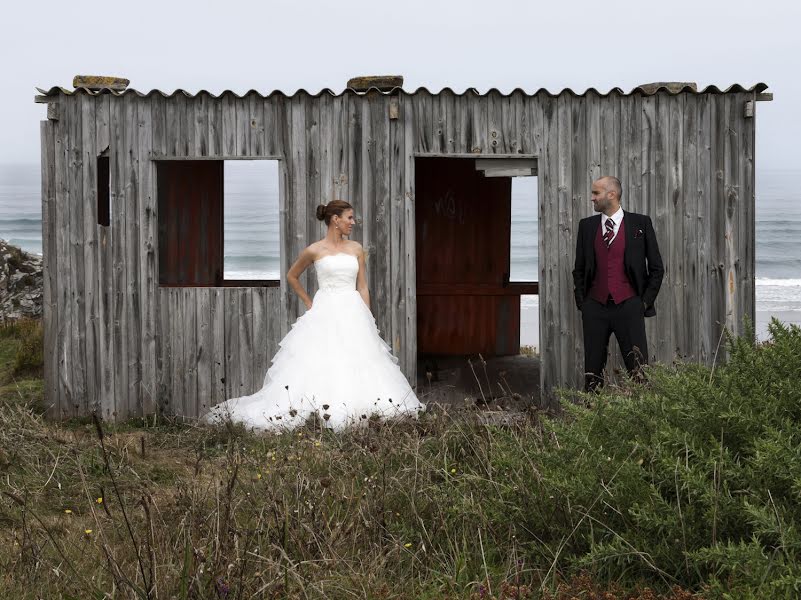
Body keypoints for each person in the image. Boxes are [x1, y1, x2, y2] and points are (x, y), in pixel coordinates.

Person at [205, 200, 424, 430]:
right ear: (335, 220)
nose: (353, 222)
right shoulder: (314, 250)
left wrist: (367, 317)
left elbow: (362, 286)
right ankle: (320, 410)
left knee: (359, 358)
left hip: (353, 310)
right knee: (323, 359)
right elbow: (292, 275)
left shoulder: (356, 248)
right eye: (349, 218)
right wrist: (309, 302)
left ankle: (363, 410)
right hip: (325, 309)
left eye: (353, 218)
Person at [572, 176, 664, 392]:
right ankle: (592, 419)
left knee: (638, 371)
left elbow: (657, 268)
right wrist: (583, 303)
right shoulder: (586, 226)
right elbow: (579, 269)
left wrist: (642, 303)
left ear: (611, 195)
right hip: (595, 307)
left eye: (596, 193)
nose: (592, 198)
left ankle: (642, 419)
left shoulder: (641, 223)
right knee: (592, 373)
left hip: (629, 306)